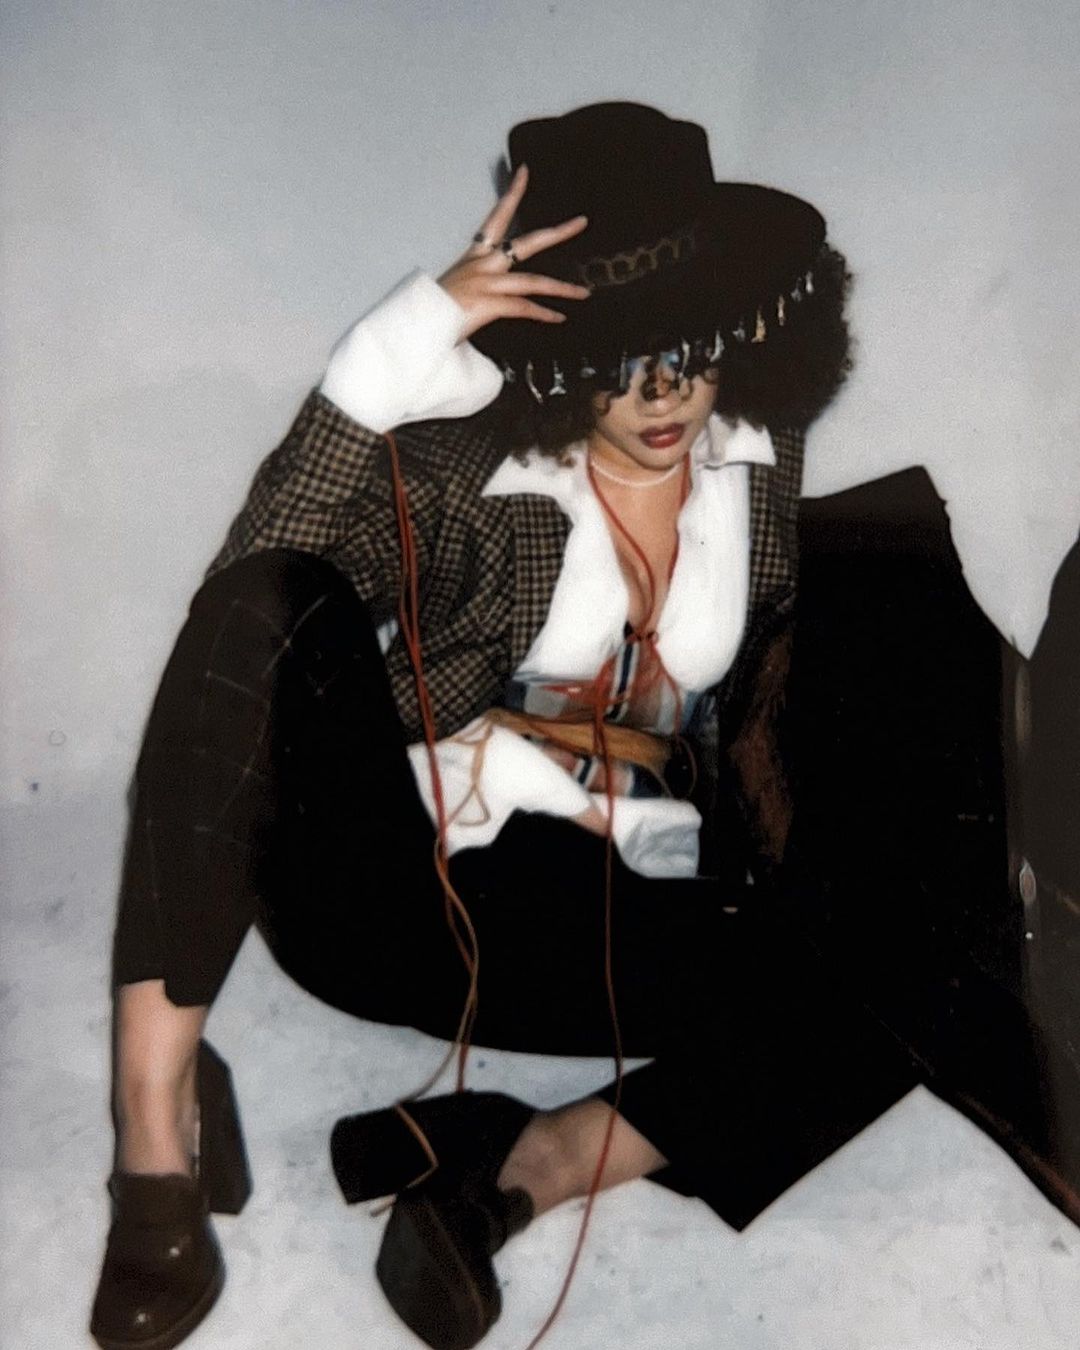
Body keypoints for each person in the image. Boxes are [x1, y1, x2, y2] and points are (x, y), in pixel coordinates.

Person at [90, 103, 913, 1350]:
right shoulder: (466, 479)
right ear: (558, 353)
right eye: (619, 356)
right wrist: (386, 358)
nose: (662, 392)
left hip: (628, 894)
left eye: (689, 347)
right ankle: (154, 1134)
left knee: (914, 974)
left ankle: (521, 1165)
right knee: (263, 605)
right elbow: (244, 615)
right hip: (420, 892)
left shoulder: (762, 462)